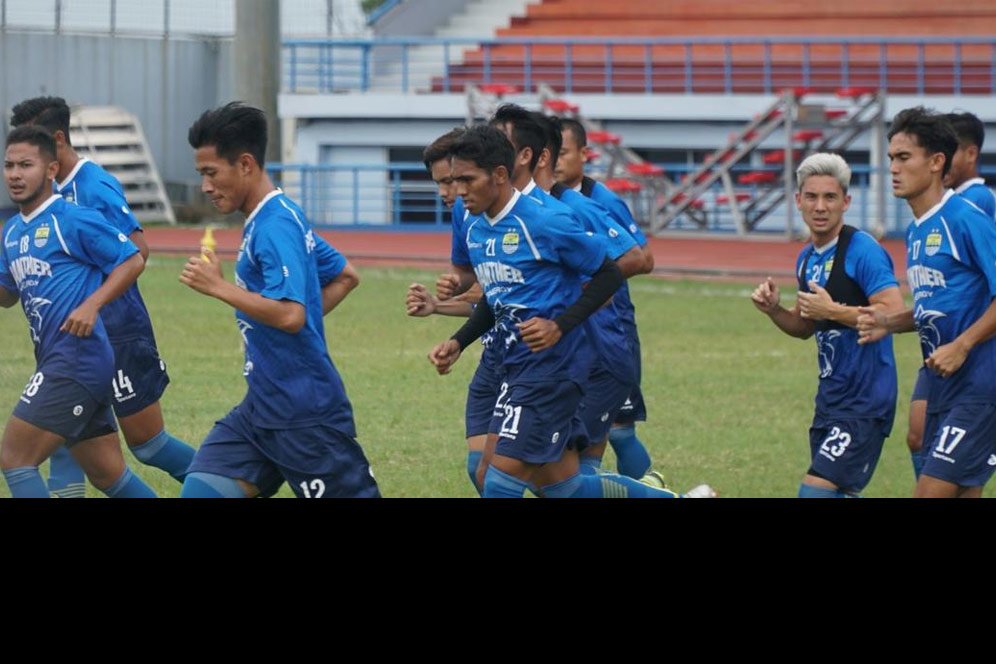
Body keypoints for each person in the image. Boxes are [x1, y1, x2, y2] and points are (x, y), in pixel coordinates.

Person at [429, 124, 697, 498]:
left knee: (498, 484)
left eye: (466, 180)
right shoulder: (476, 226)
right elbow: (499, 296)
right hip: (513, 365)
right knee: (563, 488)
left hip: (552, 370)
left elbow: (608, 274)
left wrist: (559, 324)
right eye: (452, 181)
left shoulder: (545, 220)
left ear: (500, 174)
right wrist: (459, 341)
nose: (457, 191)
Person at [178, 102, 378, 498]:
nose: (205, 186)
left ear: (246, 165)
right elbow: (344, 276)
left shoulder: (276, 225)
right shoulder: (275, 216)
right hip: (261, 407)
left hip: (304, 413)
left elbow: (290, 315)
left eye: (211, 173)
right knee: (202, 490)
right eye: (201, 174)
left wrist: (218, 286)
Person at [10, 96, 195, 495]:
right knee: (74, 450)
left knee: (149, 445)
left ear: (57, 141)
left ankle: (227, 485)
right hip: (69, 343)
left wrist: (89, 302)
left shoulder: (93, 187)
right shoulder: (34, 209)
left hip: (117, 333)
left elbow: (136, 251)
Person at [0, 125, 156, 498]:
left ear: (51, 170)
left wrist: (92, 304)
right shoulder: (11, 232)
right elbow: (7, 296)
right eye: (9, 166)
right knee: (107, 476)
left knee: (15, 457)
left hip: (76, 359)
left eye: (26, 165)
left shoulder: (71, 219)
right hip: (61, 359)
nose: (15, 175)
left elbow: (132, 260)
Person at [857, 106, 996, 498]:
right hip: (944, 385)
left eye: (904, 158)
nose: (893, 169)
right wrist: (888, 323)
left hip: (981, 384)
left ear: (936, 162)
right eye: (891, 159)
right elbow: (940, 306)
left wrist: (963, 345)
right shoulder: (918, 231)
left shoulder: (965, 218)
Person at [751, 153, 903, 497]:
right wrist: (775, 310)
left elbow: (892, 312)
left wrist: (833, 310)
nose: (820, 206)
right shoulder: (807, 258)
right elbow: (805, 327)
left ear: (846, 202)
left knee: (814, 491)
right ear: (798, 201)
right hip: (831, 401)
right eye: (812, 197)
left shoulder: (863, 250)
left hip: (866, 400)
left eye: (830, 197)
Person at [556, 117, 658, 479]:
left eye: (563, 153)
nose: (555, 161)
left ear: (584, 154)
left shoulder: (602, 201)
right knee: (589, 429)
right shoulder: (545, 203)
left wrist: (591, 283)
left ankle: (650, 485)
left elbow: (643, 259)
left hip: (612, 328)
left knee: (619, 428)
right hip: (575, 330)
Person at [405, 127, 499, 494]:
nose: (449, 193)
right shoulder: (466, 212)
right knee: (481, 468)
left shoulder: (534, 216)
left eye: (456, 180)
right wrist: (442, 301)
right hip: (494, 351)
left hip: (537, 360)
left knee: (554, 480)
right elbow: (481, 289)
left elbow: (501, 289)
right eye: (442, 183)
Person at [943, 111, 995, 219]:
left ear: (971, 154)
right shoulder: (970, 196)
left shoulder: (976, 198)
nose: (941, 162)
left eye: (948, 152)